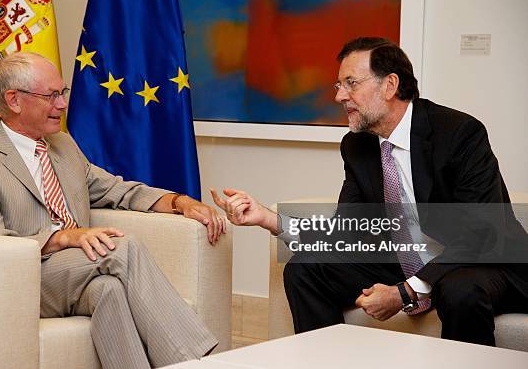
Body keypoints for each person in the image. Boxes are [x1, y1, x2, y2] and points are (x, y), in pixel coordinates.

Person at [211, 37, 528, 346]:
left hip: (482, 260)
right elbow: (347, 230)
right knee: (306, 268)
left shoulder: (459, 133)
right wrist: (269, 218)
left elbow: (479, 232)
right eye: (339, 86)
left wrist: (405, 291)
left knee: (460, 290)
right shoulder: (358, 145)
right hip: (404, 261)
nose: (339, 96)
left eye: (351, 83)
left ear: (390, 85)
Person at [0, 52, 224, 369]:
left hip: (75, 272)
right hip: (23, 276)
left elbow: (116, 189)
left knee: (109, 289)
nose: (62, 105)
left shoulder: (62, 145)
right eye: (51, 96)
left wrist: (178, 202)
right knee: (122, 248)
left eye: (62, 93)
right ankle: (195, 363)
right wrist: (62, 238)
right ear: (14, 100)